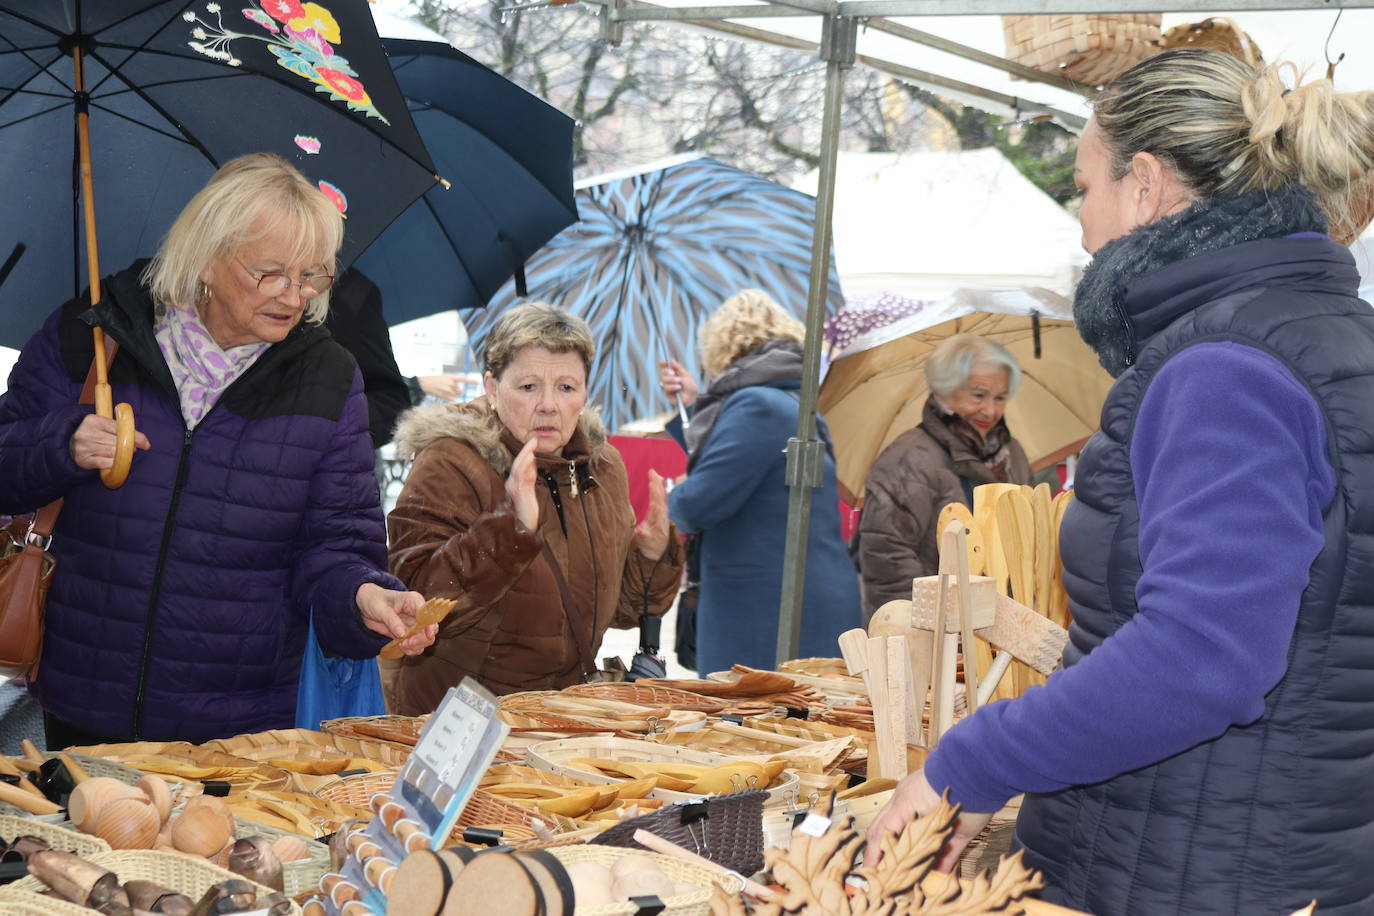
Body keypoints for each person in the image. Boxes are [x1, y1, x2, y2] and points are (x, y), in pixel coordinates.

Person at [865, 50, 1374, 916]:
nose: (1081, 222)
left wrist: (970, 763)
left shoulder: (1225, 367)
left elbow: (1200, 656)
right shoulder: (1334, 336)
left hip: (1189, 871)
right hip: (1286, 850)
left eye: (1082, 187)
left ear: (1145, 187)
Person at [0, 153, 437, 747]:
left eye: (311, 276)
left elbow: (335, 545)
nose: (294, 295)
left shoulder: (330, 376)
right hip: (84, 698)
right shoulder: (93, 335)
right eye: (271, 272)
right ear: (208, 257)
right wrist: (62, 442)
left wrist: (363, 597)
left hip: (239, 727)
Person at [383, 303, 683, 712]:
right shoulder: (451, 461)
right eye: (528, 387)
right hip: (459, 719)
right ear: (491, 387)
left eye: (566, 387)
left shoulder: (602, 467)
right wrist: (510, 529)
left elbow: (625, 611)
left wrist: (651, 558)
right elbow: (417, 602)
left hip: (562, 717)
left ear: (585, 392)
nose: (548, 405)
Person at [659, 289, 861, 675]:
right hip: (797, 603)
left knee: (751, 731)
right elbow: (747, 470)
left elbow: (699, 504)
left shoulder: (757, 407)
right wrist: (691, 401)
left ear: (723, 349)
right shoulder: (792, 403)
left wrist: (676, 492)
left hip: (765, 615)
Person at [853, 333, 1032, 619]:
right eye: (978, 394)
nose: (990, 410)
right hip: (938, 632)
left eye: (1000, 397)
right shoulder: (908, 458)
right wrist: (924, 631)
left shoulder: (1012, 453)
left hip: (1000, 625)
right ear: (942, 391)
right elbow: (887, 560)